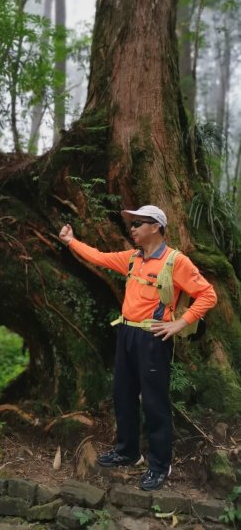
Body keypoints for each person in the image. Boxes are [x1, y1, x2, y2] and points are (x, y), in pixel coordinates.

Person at [59, 205, 217, 491]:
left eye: (137, 223)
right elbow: (100, 257)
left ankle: (159, 465)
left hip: (154, 339)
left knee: (155, 402)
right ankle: (128, 451)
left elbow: (208, 294)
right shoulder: (132, 258)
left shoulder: (175, 261)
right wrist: (71, 241)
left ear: (155, 226)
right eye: (131, 224)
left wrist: (180, 323)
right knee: (123, 394)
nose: (131, 228)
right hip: (127, 334)